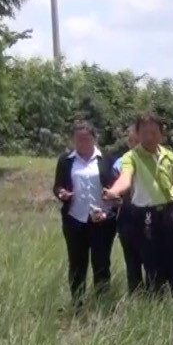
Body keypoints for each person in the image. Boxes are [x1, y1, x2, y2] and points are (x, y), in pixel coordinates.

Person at [103, 114, 173, 305]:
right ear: (137, 134)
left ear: (162, 134)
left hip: (171, 214)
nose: (149, 137)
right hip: (146, 219)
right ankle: (157, 314)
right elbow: (125, 179)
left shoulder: (168, 155)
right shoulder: (131, 157)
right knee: (154, 269)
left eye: (154, 132)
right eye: (144, 133)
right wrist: (113, 191)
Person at [53, 121, 119, 306]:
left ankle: (103, 304)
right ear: (73, 140)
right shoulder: (66, 161)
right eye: (78, 139)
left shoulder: (106, 159)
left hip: (103, 221)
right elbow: (57, 185)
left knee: (101, 264)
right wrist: (61, 193)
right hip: (75, 220)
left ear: (94, 138)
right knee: (76, 264)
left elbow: (116, 186)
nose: (82, 142)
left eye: (86, 138)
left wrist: (112, 201)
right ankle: (77, 304)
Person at [111, 123, 145, 293]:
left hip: (149, 216)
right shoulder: (120, 162)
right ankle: (137, 299)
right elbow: (119, 187)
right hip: (128, 216)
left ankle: (156, 299)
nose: (134, 144)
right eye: (131, 140)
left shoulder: (152, 159)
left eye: (137, 140)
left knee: (152, 261)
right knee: (132, 263)